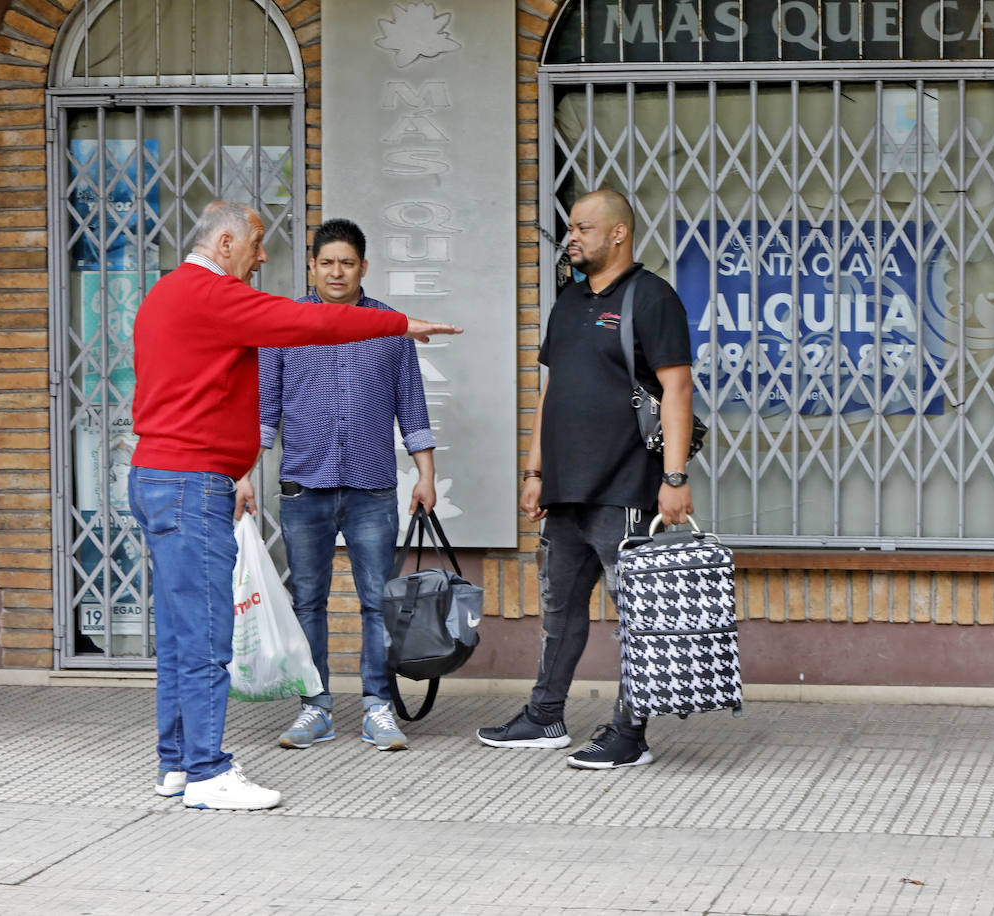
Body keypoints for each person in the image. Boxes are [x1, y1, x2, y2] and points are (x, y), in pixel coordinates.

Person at [129, 199, 462, 810]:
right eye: (256, 246)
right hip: (192, 480)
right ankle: (207, 771)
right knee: (205, 638)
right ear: (226, 242)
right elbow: (306, 325)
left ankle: (175, 766)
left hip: (160, 474)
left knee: (179, 637)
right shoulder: (213, 295)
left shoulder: (164, 294)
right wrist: (397, 324)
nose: (261, 259)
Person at [476, 188, 695, 769]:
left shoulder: (652, 298)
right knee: (559, 612)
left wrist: (674, 476)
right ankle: (545, 715)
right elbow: (550, 392)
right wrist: (534, 469)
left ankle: (630, 732)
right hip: (565, 489)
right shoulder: (568, 302)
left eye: (582, 227)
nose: (571, 237)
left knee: (637, 617)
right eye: (570, 228)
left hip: (625, 487)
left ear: (617, 234)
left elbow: (678, 388)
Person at [258, 218, 436, 754]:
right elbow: (264, 410)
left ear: (364, 267)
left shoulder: (390, 327)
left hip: (372, 487)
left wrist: (426, 474)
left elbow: (412, 404)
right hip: (303, 487)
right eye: (327, 262)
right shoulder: (283, 323)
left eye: (348, 262)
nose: (337, 271)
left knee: (375, 601)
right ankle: (316, 708)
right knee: (307, 601)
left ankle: (377, 707)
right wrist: (242, 475)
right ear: (311, 266)